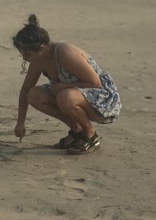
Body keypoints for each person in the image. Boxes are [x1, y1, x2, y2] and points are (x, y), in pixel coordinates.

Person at [12, 14, 121, 155]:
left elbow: (95, 82)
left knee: (65, 96)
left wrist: (63, 87)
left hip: (103, 99)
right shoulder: (38, 60)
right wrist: (20, 123)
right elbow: (25, 90)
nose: (25, 59)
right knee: (33, 95)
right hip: (74, 96)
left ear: (42, 47)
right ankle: (77, 130)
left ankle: (90, 135)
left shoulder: (64, 52)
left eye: (27, 55)